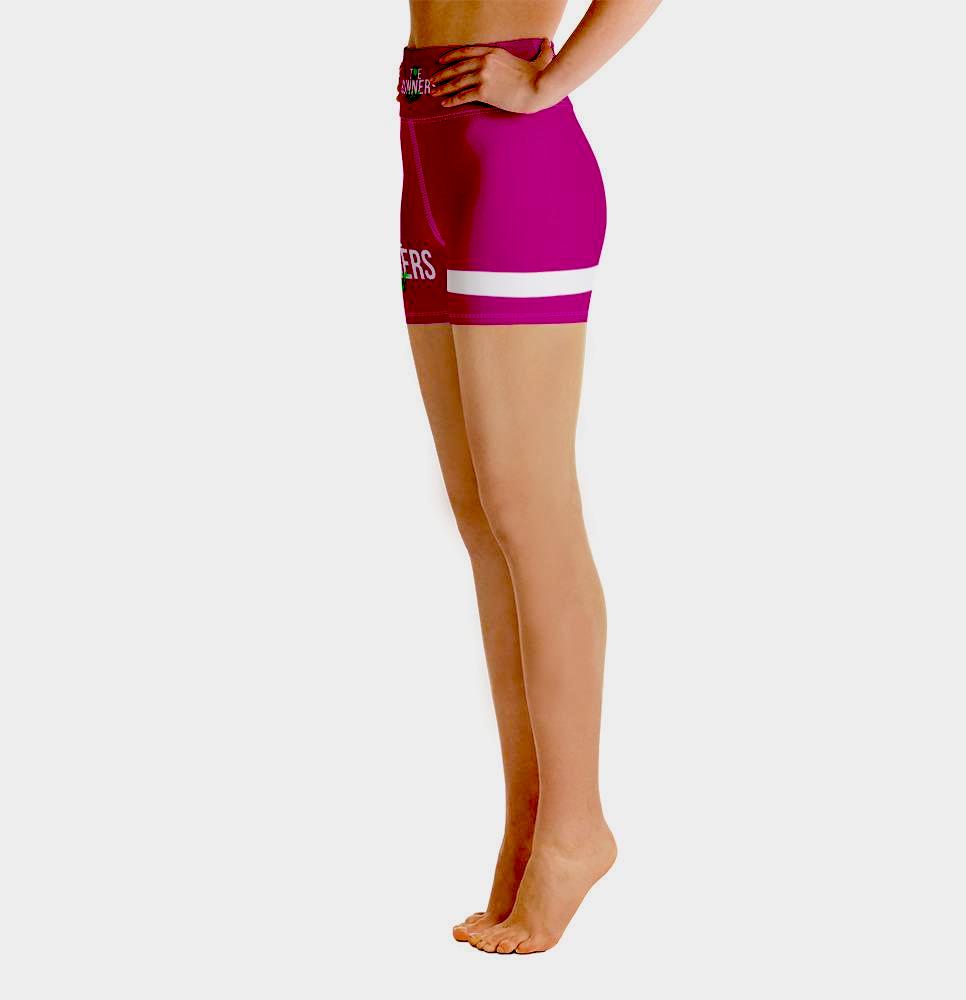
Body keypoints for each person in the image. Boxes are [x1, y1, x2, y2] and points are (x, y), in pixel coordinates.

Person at [399, 0, 661, 954]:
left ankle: (577, 826)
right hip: (426, 137)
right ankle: (531, 817)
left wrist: (548, 82)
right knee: (480, 517)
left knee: (529, 507)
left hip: (515, 154)